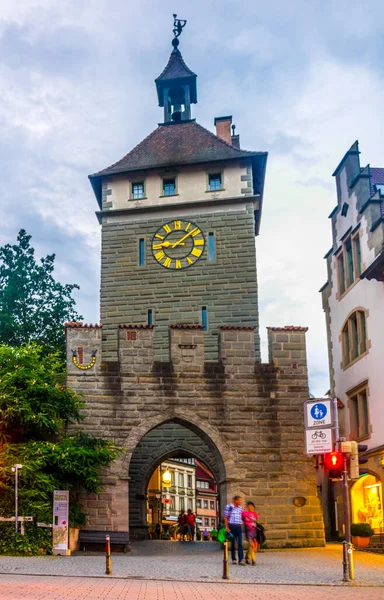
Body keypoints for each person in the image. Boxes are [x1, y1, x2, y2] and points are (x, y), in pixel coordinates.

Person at [224, 495, 245, 565]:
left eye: (240, 500)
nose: (240, 502)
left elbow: (242, 517)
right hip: (231, 526)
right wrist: (226, 527)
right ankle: (234, 558)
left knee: (240, 543)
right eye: (239, 500)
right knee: (233, 543)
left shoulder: (240, 508)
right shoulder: (229, 507)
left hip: (239, 526)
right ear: (235, 500)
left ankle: (241, 559)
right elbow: (226, 517)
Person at [242, 501, 259, 565]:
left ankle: (247, 558)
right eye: (249, 506)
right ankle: (254, 560)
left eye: (252, 506)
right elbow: (242, 519)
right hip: (248, 530)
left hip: (254, 531)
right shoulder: (244, 513)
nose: (251, 507)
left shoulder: (255, 514)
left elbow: (256, 523)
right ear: (247, 507)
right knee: (251, 544)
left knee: (251, 545)